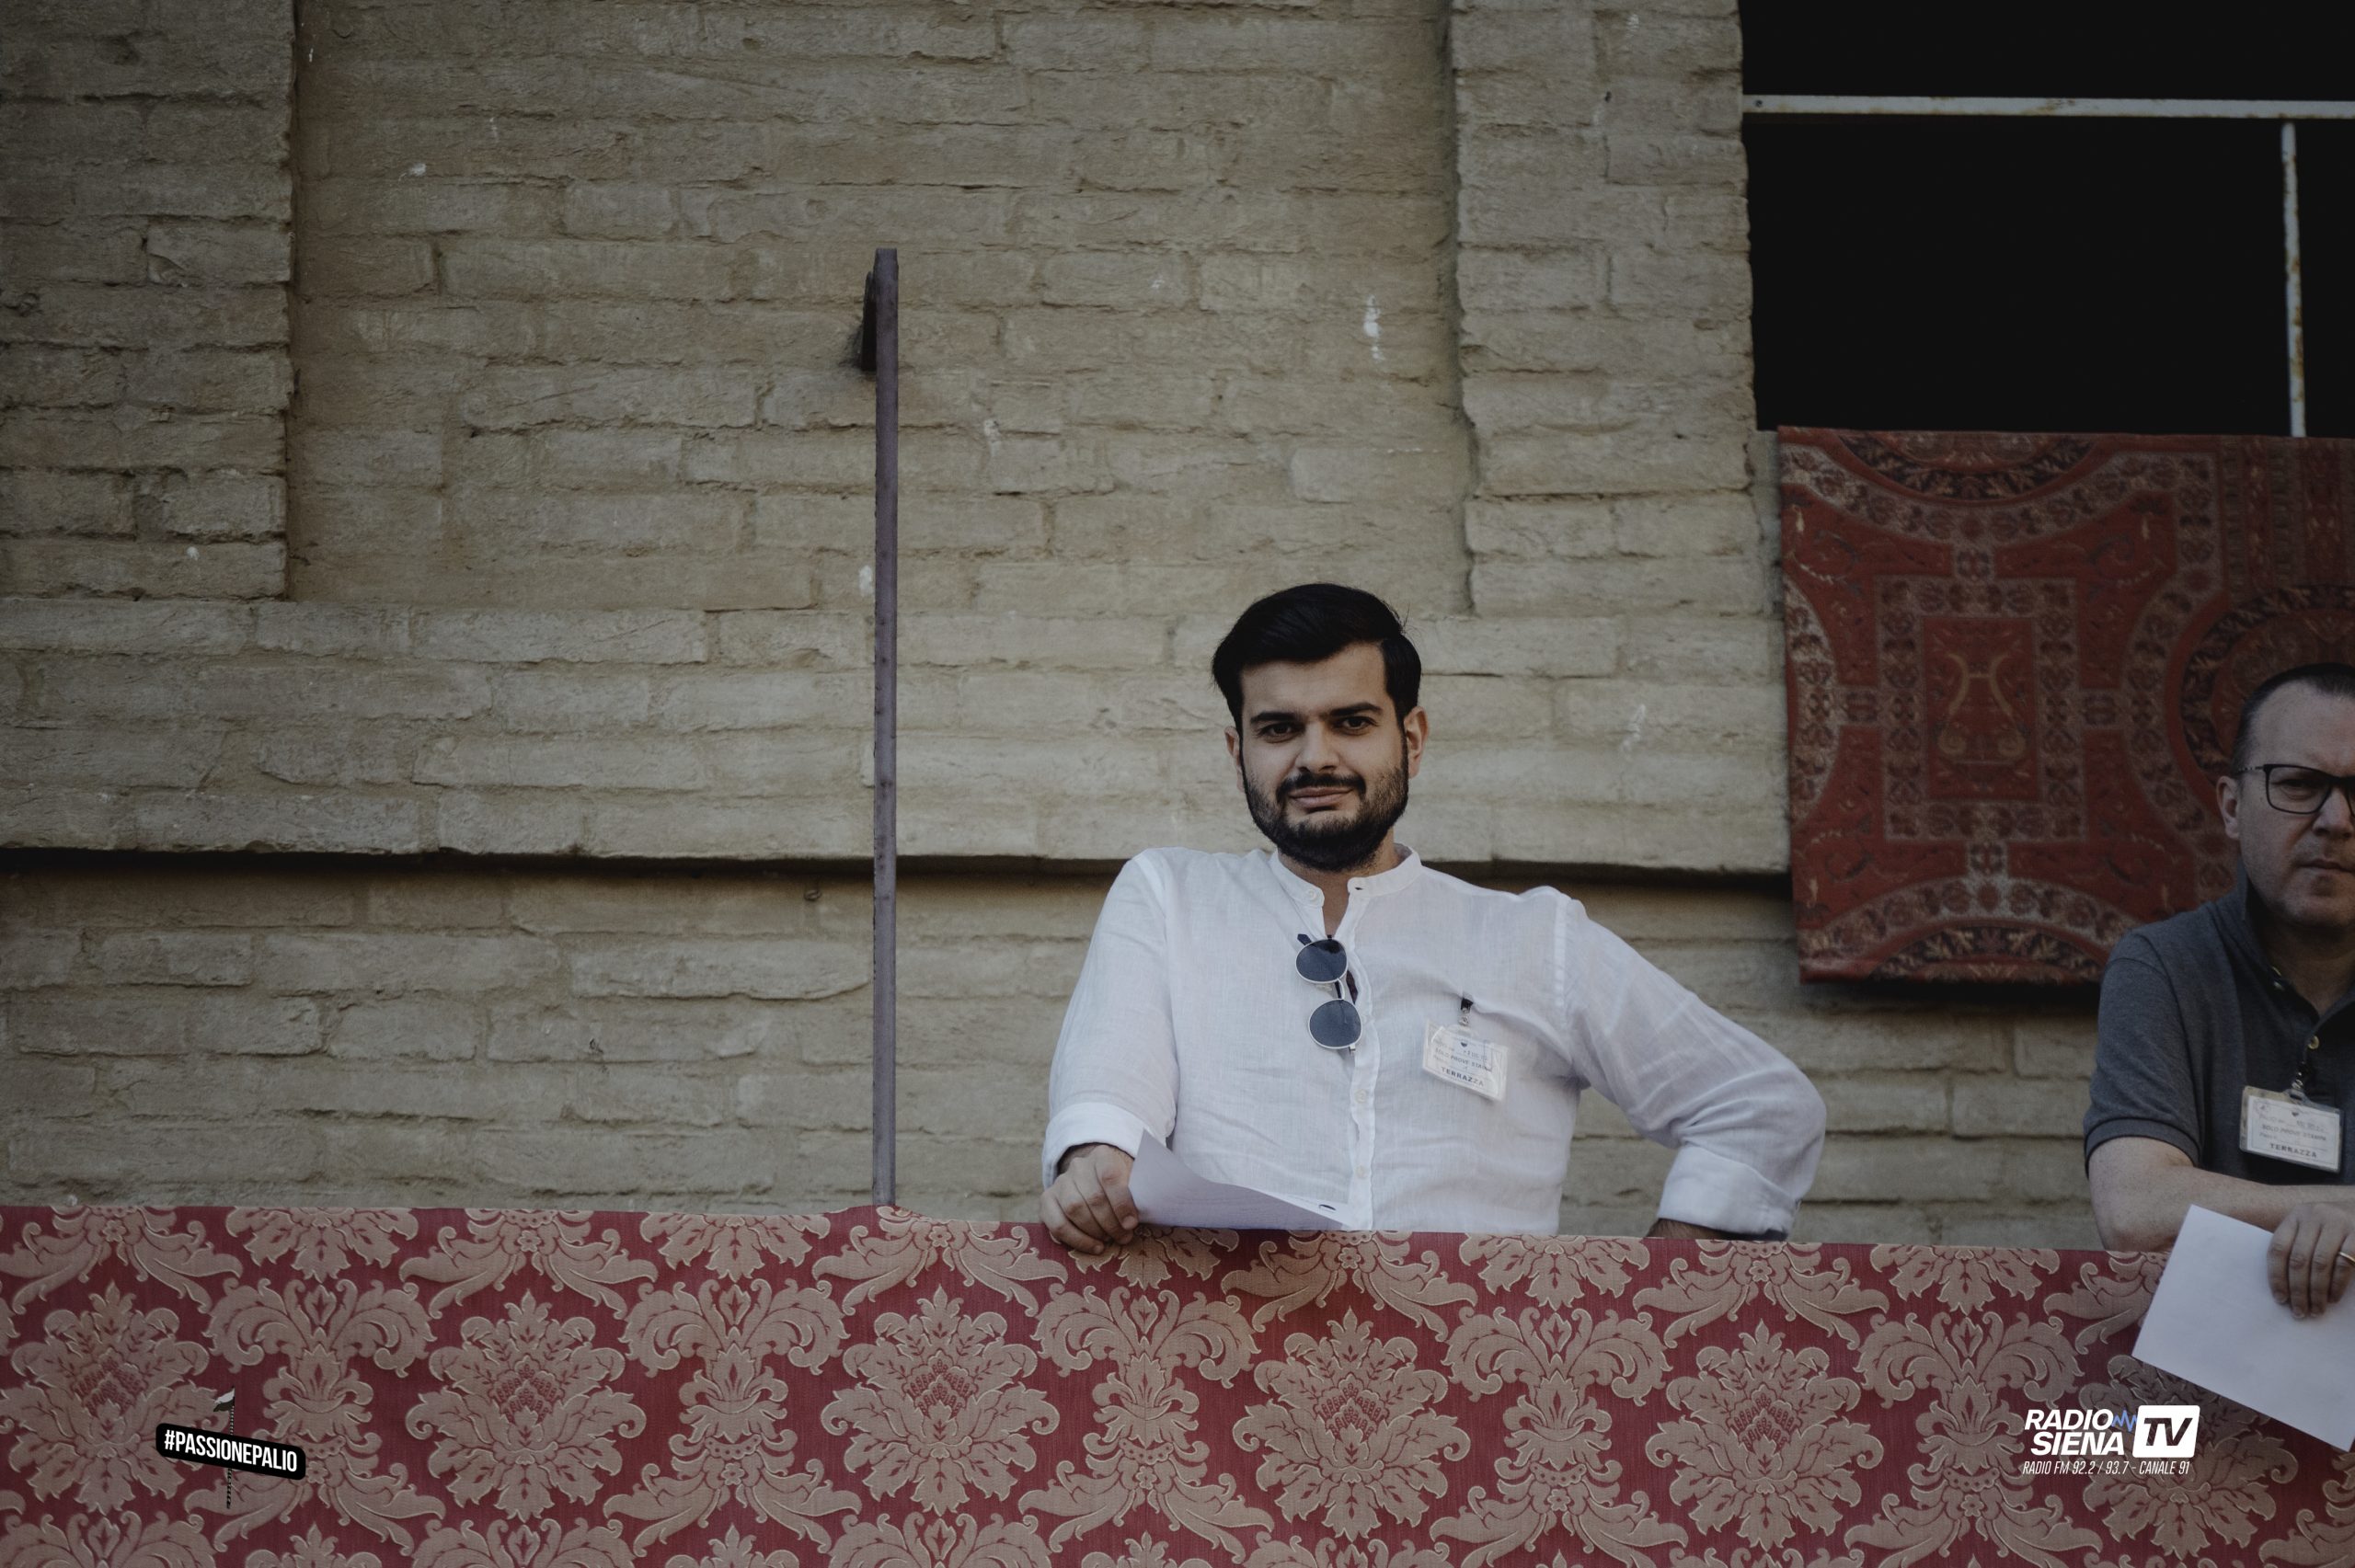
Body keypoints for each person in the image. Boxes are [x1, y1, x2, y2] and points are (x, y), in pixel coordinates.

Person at [1039, 582, 1825, 1252]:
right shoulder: (1171, 896)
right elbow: (1109, 1101)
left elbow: (1759, 1107)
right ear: (1236, 751)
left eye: (1351, 722)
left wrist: (1653, 1291)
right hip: (1225, 1360)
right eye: (1279, 729)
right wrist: (1094, 1167)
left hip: (1487, 1372)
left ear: (1410, 740)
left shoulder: (1533, 939)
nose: (1315, 758)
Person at [2086, 662, 2355, 1319]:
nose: (2337, 819)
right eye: (2299, 784)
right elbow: (2134, 1209)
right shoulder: (2163, 966)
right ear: (2232, 807)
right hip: (2206, 1364)